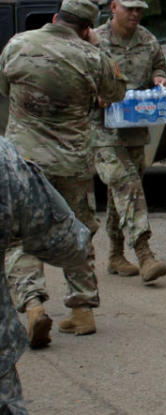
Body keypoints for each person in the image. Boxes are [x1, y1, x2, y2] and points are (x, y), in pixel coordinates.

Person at [1, 0, 125, 343]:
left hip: (24, 161)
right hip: (72, 161)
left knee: (18, 236)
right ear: (86, 29)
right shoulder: (90, 55)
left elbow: (3, 89)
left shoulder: (18, 44)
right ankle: (82, 310)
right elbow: (116, 92)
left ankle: (33, 304)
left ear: (56, 17)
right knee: (76, 231)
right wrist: (99, 47)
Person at [0, 137, 91, 414]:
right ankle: (83, 303)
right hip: (70, 157)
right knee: (24, 234)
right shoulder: (5, 160)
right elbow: (68, 245)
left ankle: (31, 301)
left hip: (33, 144)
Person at [92, 0, 166, 283]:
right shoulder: (93, 40)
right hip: (102, 131)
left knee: (121, 191)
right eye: (129, 8)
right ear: (114, 7)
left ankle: (114, 253)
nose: (135, 13)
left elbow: (160, 67)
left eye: (139, 9)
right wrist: (93, 94)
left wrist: (159, 79)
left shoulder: (148, 40)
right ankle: (144, 252)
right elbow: (77, 77)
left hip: (135, 127)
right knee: (126, 183)